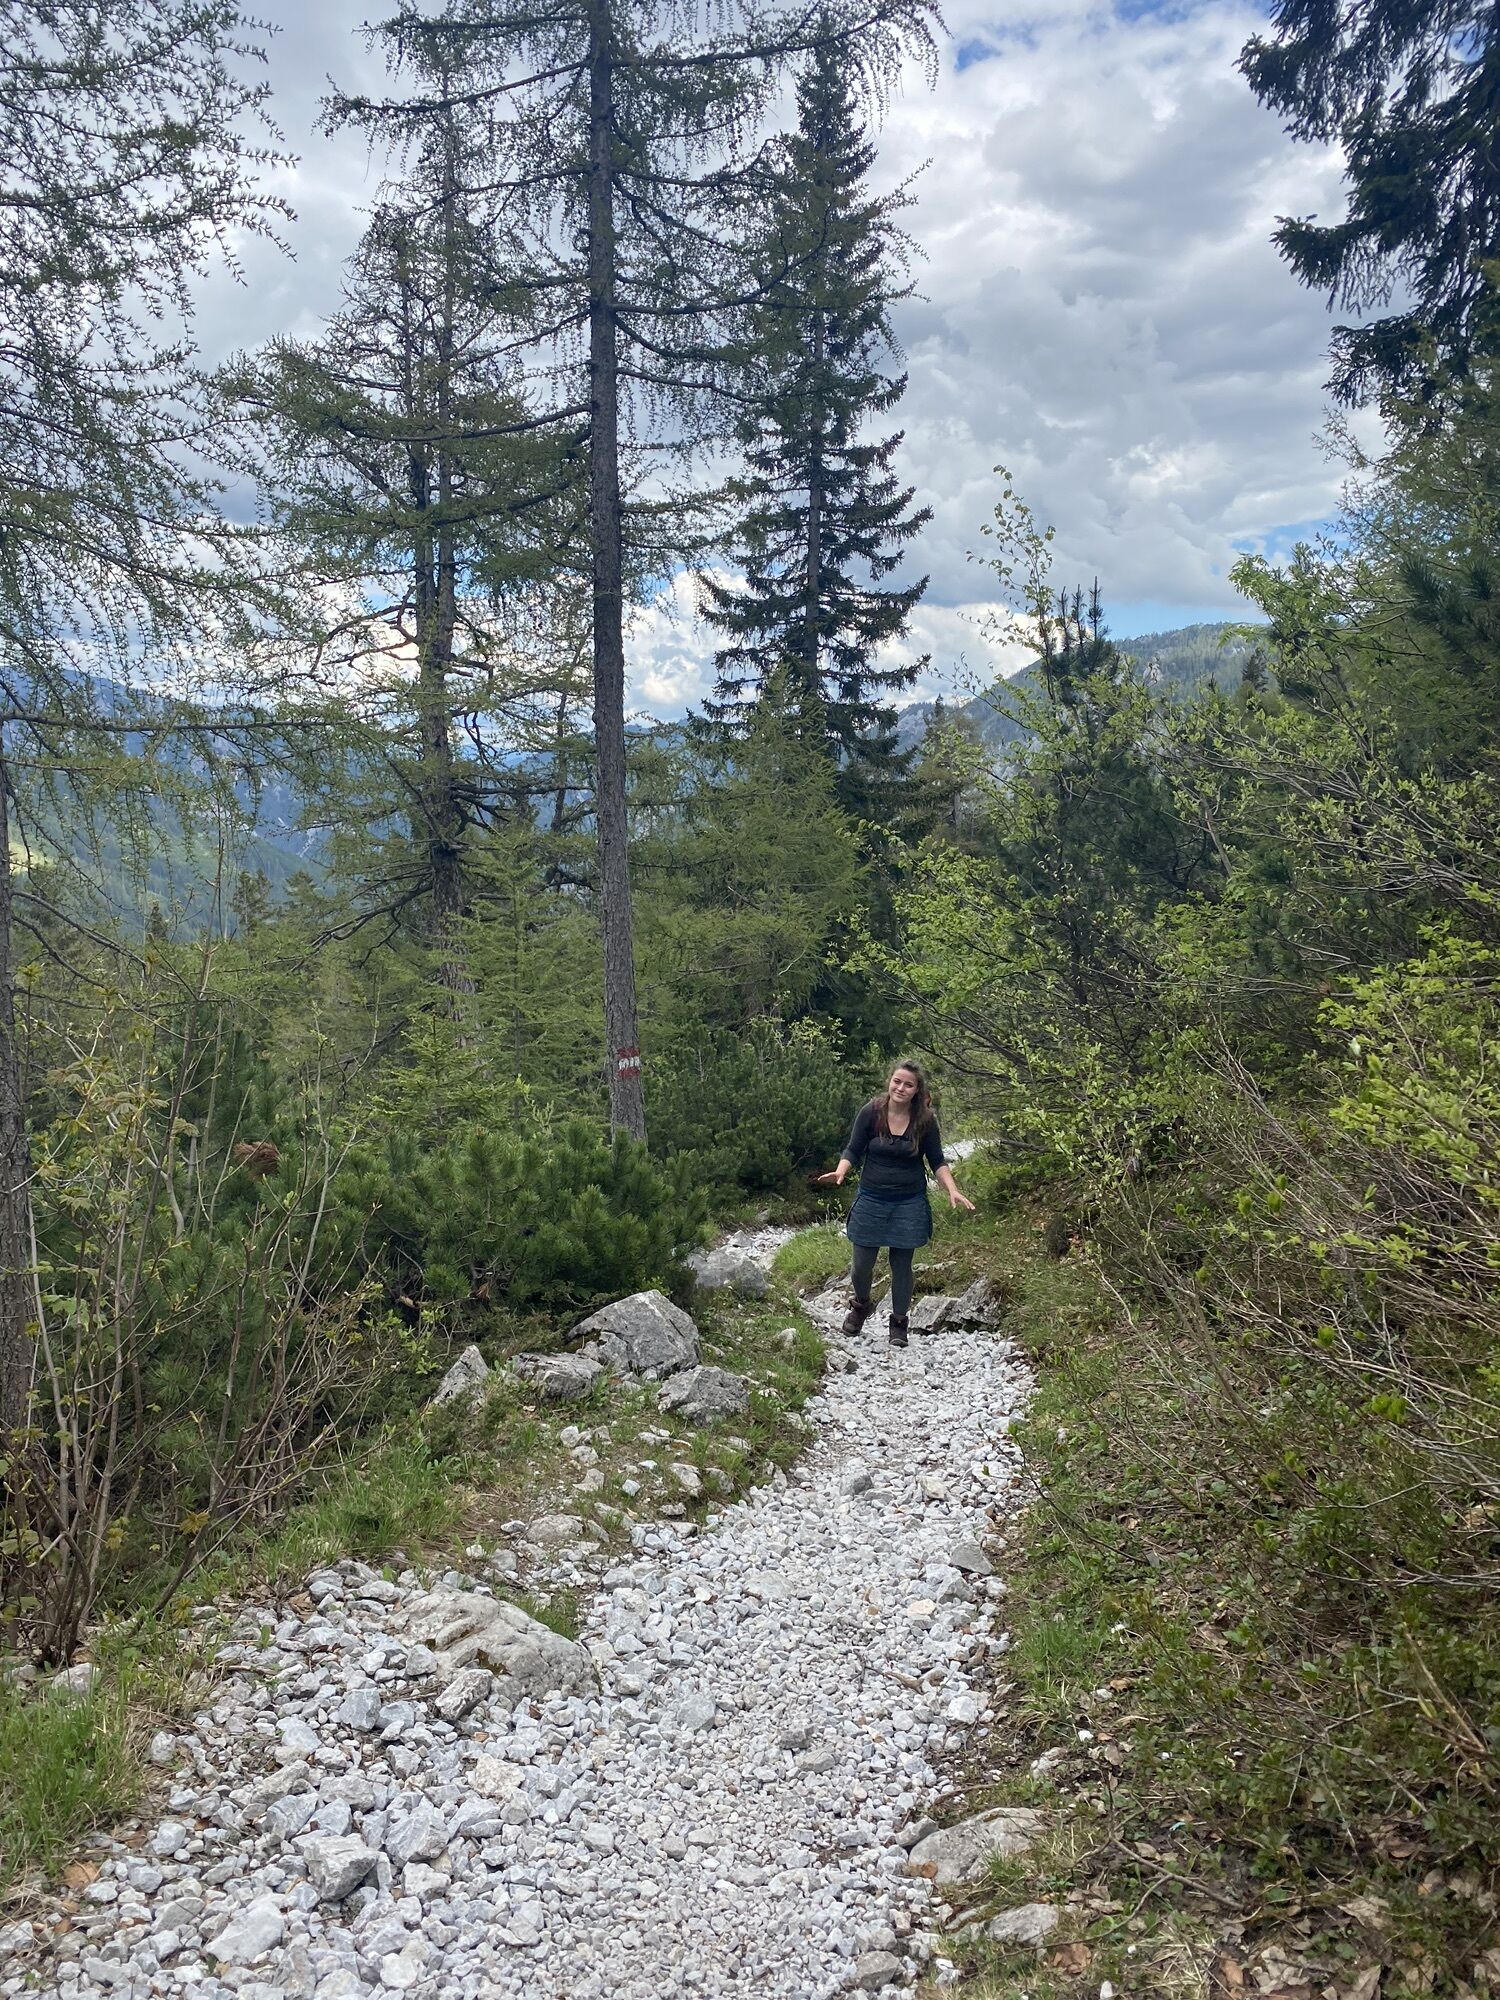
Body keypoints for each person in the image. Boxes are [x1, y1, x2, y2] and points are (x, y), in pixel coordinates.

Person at [817, 1060, 975, 1347]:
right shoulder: (871, 1112)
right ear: (889, 1082)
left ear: (917, 1090)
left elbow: (937, 1161)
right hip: (871, 1198)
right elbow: (853, 1149)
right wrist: (841, 1171)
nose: (901, 1088)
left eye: (908, 1084)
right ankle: (861, 1305)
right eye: (897, 1081)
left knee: (902, 1265)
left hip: (909, 1202)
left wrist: (952, 1190)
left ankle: (899, 1323)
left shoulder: (925, 1120)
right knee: (861, 1265)